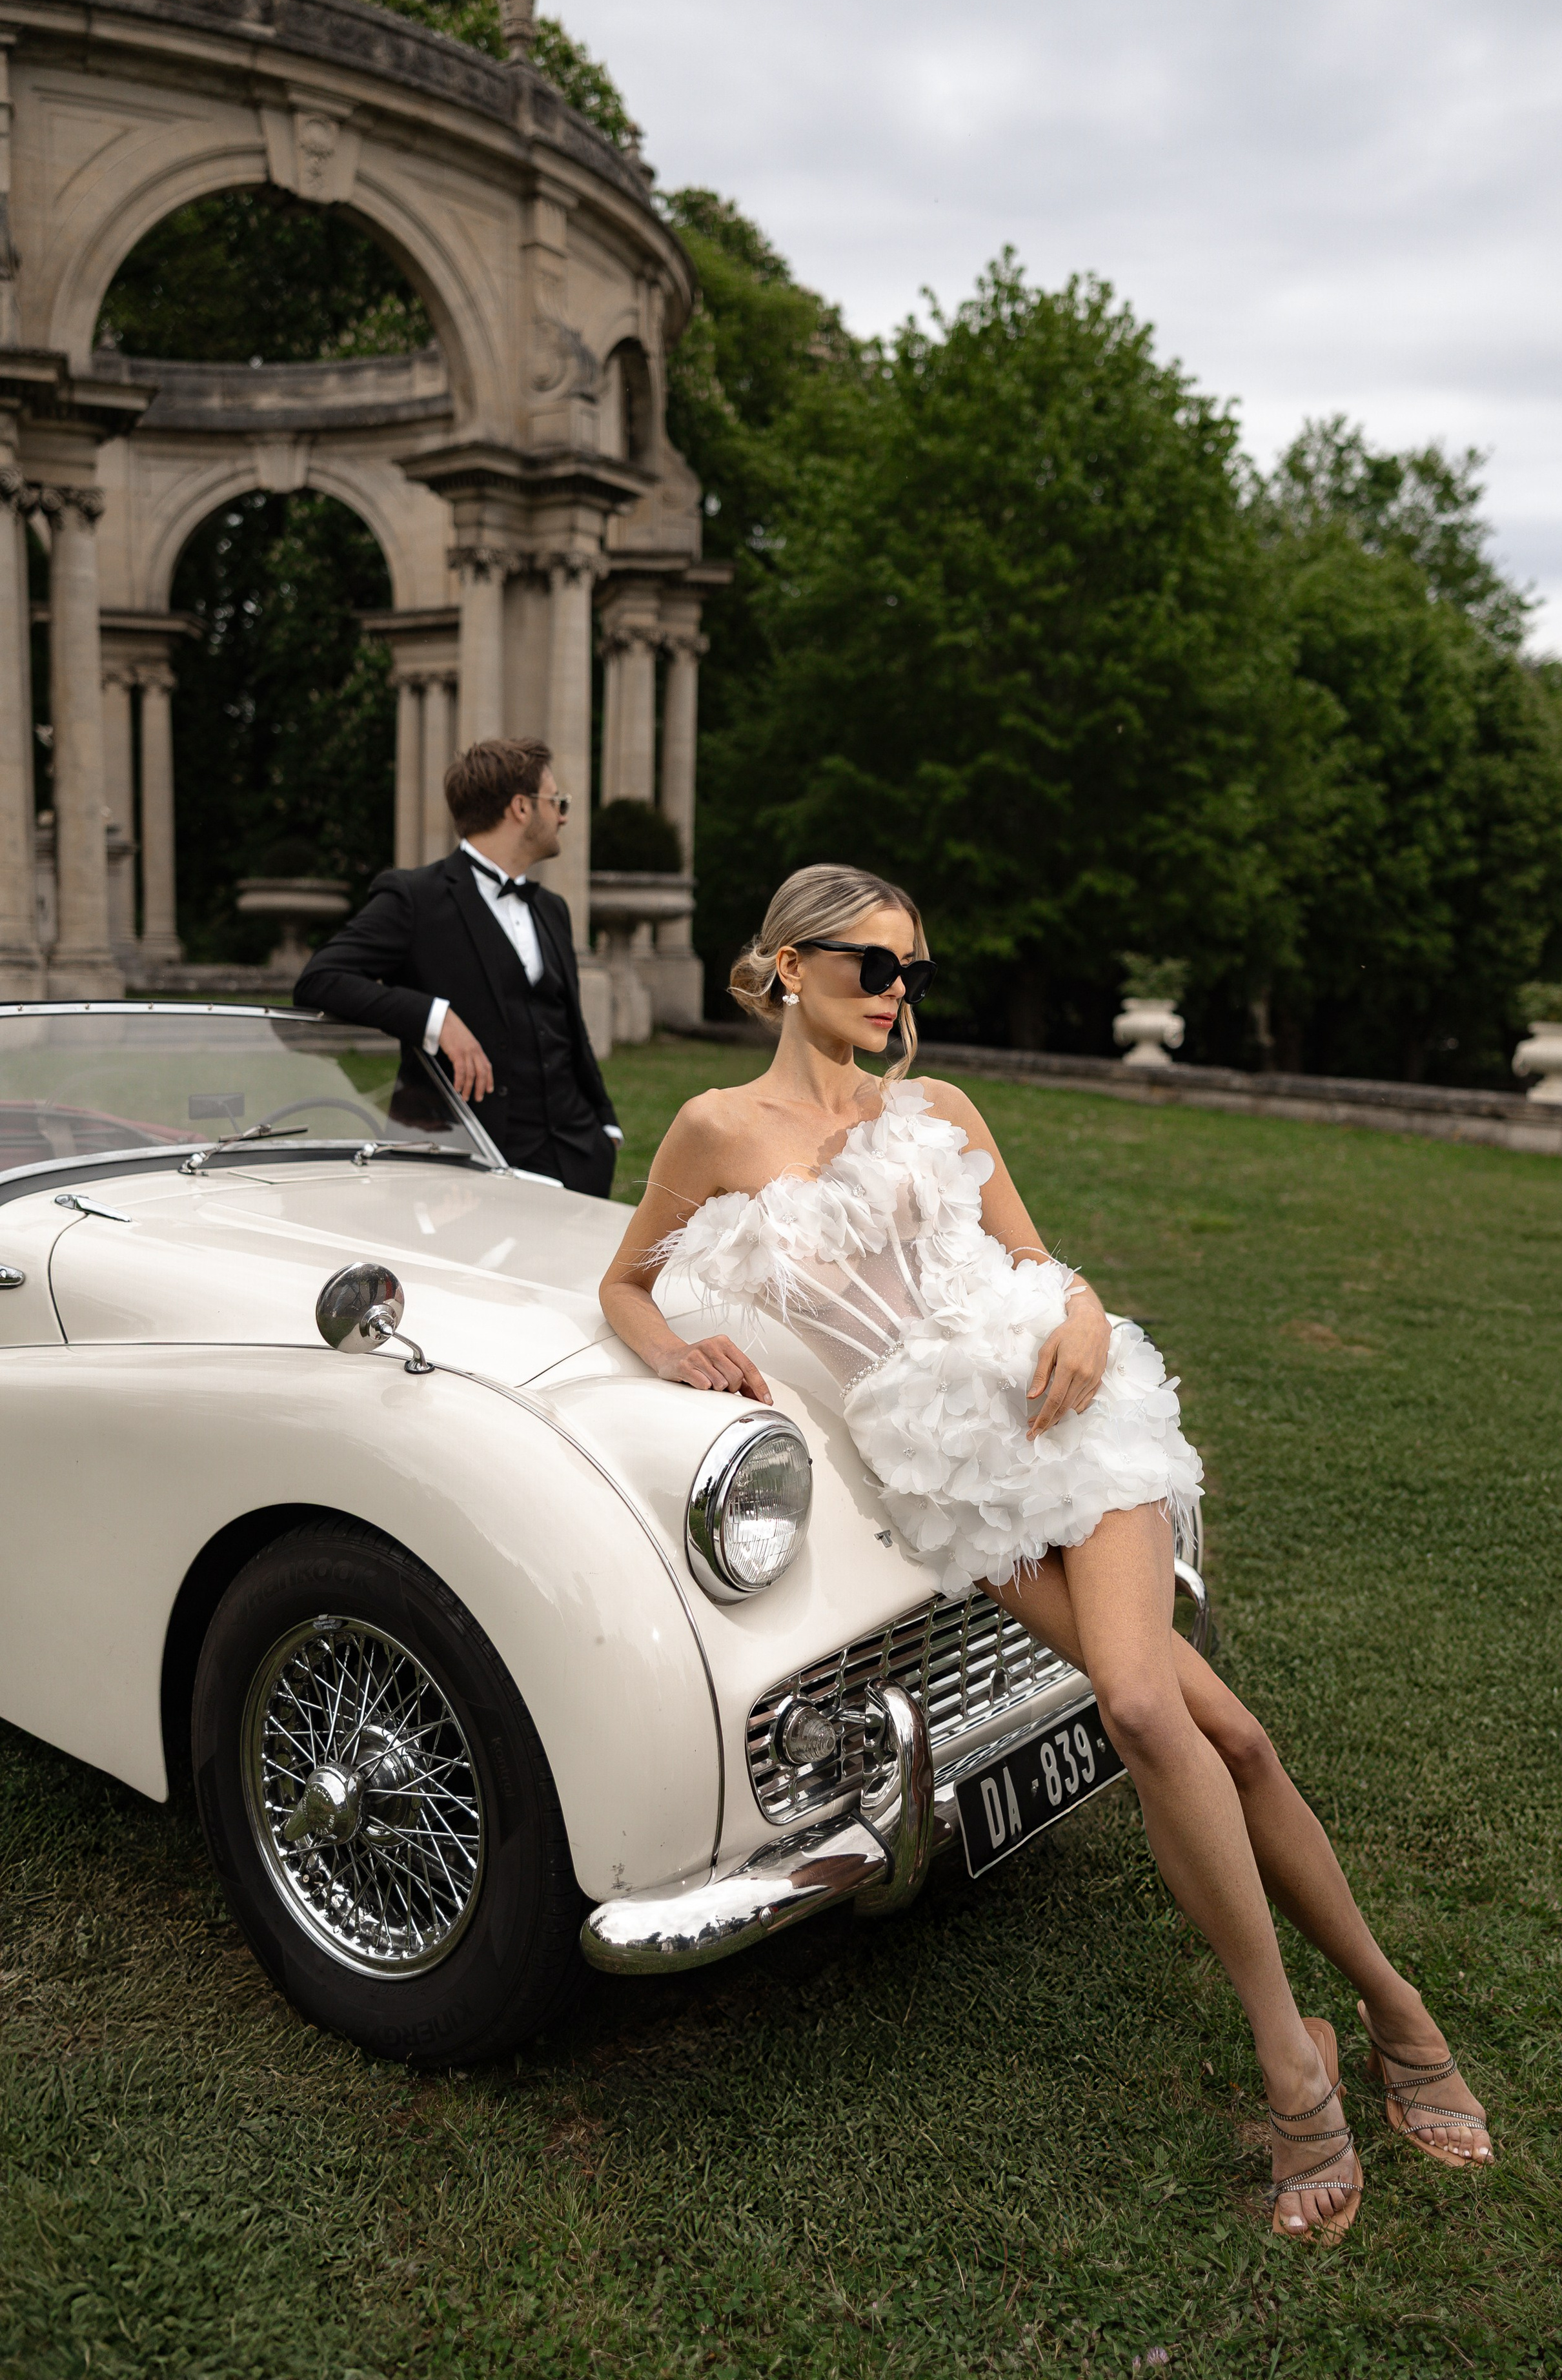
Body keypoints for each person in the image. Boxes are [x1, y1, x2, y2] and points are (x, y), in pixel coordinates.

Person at [598, 862, 1494, 2242]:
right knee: (1227, 1740)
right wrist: (681, 1348)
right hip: (953, 1487)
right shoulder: (714, 1130)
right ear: (787, 967)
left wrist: (1078, 1310)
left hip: (1068, 1421)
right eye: (870, 968)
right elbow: (624, 1278)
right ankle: (1392, 2010)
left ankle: (1291, 2067)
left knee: (1138, 1704)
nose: (898, 997)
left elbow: (1035, 1261)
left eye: (912, 971)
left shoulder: (939, 1111)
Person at [295, 738, 622, 1197]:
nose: (564, 815)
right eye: (558, 802)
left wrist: (606, 1127)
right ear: (521, 808)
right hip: (466, 1169)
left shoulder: (553, 909)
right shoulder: (415, 898)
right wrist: (435, 1017)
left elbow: (570, 1028)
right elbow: (321, 980)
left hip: (579, 1161)